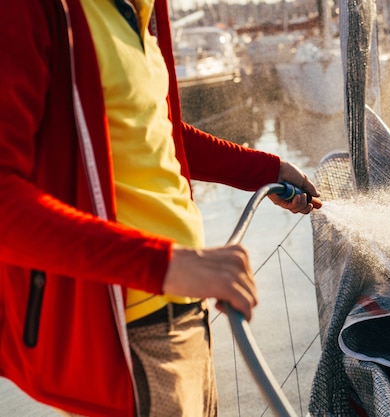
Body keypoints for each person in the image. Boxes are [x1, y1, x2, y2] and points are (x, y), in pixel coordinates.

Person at [0, 0, 321, 416]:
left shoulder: (140, 8)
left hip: (186, 311)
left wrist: (265, 169)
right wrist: (167, 265)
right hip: (134, 333)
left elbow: (156, 131)